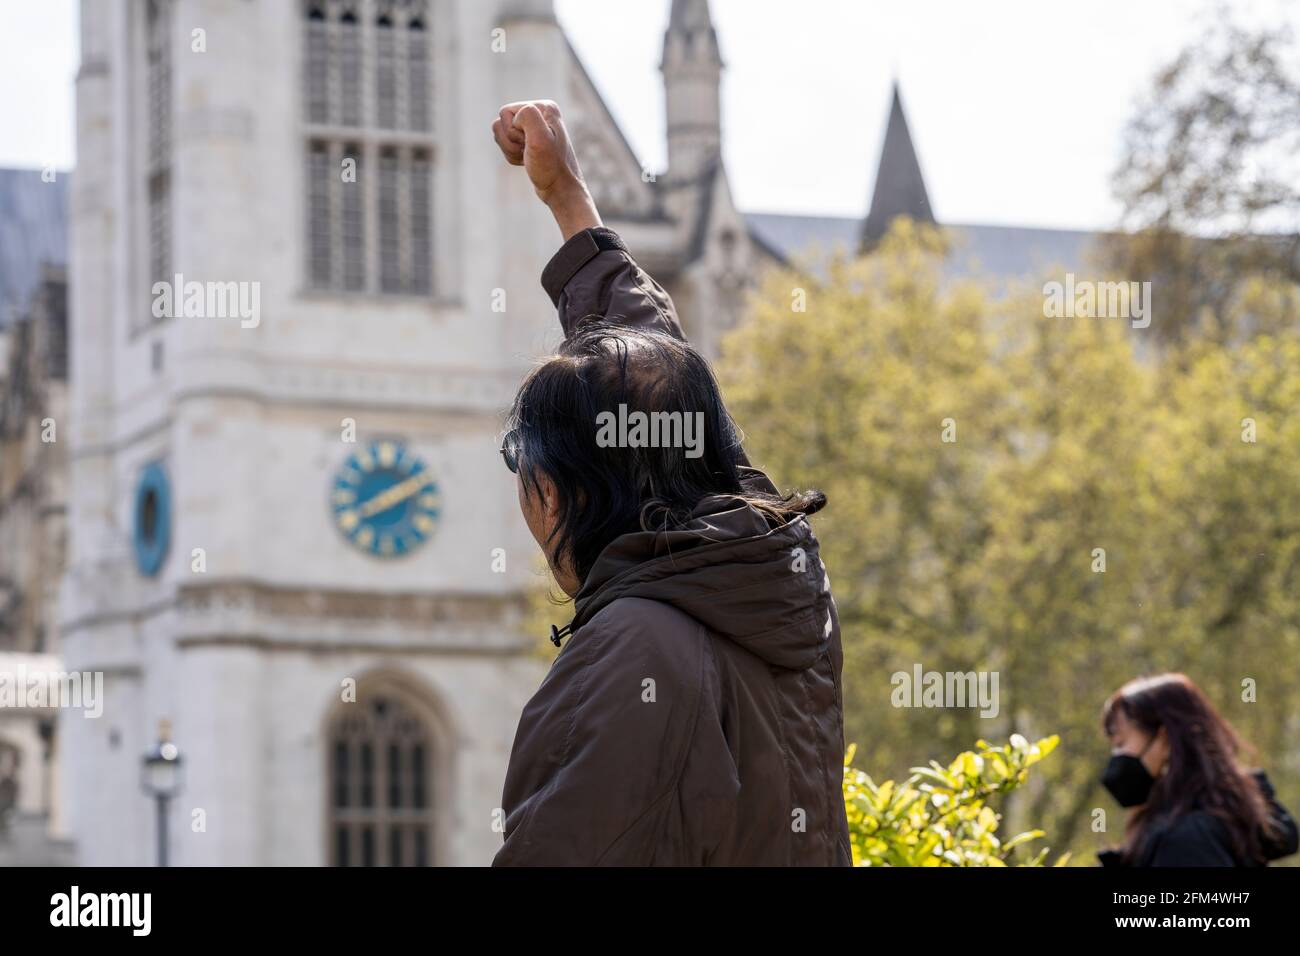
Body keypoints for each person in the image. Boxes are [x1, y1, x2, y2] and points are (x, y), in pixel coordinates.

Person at [488, 100, 851, 866]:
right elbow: (665, 379)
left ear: (556, 491)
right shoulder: (773, 570)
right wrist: (567, 198)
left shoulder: (632, 652)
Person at [1098, 672, 1298, 867]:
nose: (1116, 757)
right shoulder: (1199, 826)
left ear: (1165, 739)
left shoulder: (1186, 839)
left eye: (1121, 743)